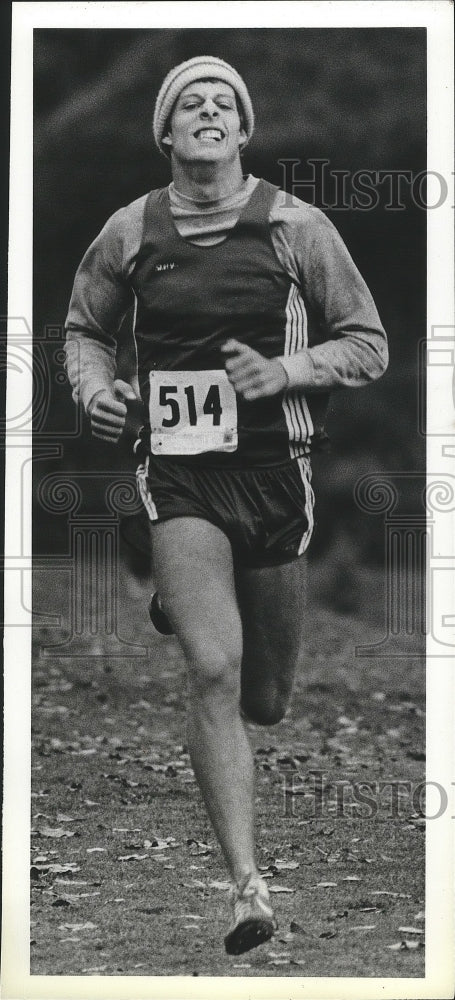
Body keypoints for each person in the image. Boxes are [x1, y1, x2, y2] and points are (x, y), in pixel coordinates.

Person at [64, 55, 388, 955]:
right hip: (179, 474)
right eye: (188, 105)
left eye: (224, 106)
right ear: (166, 134)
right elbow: (85, 330)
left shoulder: (296, 225)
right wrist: (92, 388)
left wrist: (284, 370)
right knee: (210, 669)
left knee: (267, 696)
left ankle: (178, 590)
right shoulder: (130, 229)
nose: (207, 113)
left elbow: (367, 343)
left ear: (242, 134)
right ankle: (246, 885)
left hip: (276, 478)